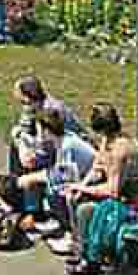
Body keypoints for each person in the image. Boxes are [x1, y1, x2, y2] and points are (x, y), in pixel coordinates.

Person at [62, 103, 138, 275]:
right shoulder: (108, 140)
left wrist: (84, 189)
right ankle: (82, 249)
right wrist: (82, 186)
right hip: (121, 194)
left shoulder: (120, 150)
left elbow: (113, 190)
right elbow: (97, 166)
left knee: (85, 209)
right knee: (75, 198)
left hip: (134, 201)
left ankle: (91, 261)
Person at [16, 107, 96, 256]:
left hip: (92, 183)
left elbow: (64, 175)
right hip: (84, 179)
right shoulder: (63, 141)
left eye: (40, 130)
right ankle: (62, 225)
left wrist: (32, 178)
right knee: (53, 187)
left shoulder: (67, 145)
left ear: (46, 130)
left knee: (57, 190)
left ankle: (70, 234)